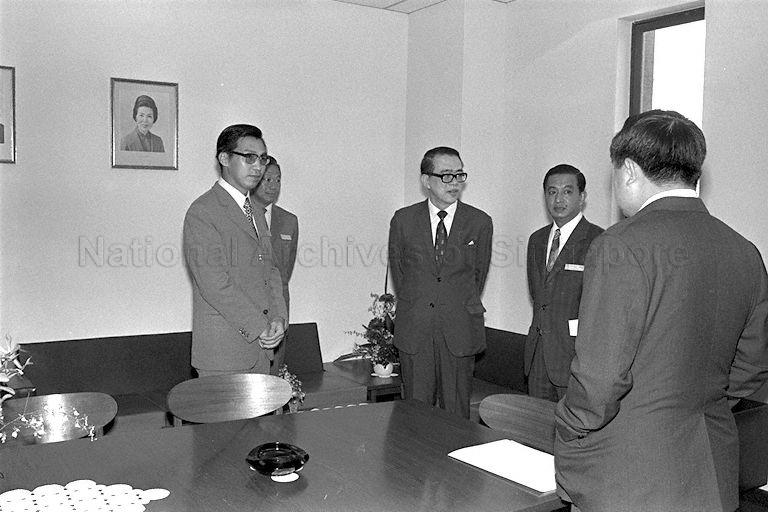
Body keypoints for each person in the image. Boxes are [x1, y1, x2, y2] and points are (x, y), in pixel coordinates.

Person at [554, 110, 768, 512]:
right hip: (713, 471)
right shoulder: (744, 251)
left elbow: (599, 381)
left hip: (630, 475)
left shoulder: (620, 245)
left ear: (630, 171)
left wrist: (567, 425)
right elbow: (752, 365)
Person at [388, 146, 493, 419]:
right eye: (446, 175)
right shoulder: (403, 220)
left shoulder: (480, 222)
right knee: (414, 414)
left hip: (459, 330)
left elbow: (477, 276)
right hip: (416, 328)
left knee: (457, 416)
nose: (455, 183)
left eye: (459, 175)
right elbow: (401, 276)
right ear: (426, 181)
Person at [183, 124, 286, 377]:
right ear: (224, 158)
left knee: (264, 420)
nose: (258, 166)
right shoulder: (203, 211)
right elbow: (214, 284)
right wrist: (258, 326)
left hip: (261, 350)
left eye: (262, 159)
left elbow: (270, 271)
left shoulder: (255, 211)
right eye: (249, 157)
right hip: (224, 354)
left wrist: (279, 319)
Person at [525, 164, 603, 402]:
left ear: (582, 197)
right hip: (538, 356)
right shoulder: (537, 240)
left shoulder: (599, 240)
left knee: (571, 435)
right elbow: (539, 297)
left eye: (567, 191)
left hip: (575, 360)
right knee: (533, 432)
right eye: (552, 192)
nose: (558, 199)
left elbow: (600, 306)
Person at [253, 156, 298, 374]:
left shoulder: (289, 220)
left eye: (278, 180)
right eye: (267, 179)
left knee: (275, 374)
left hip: (279, 308)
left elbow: (284, 271)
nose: (273, 185)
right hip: (250, 308)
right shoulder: (241, 216)